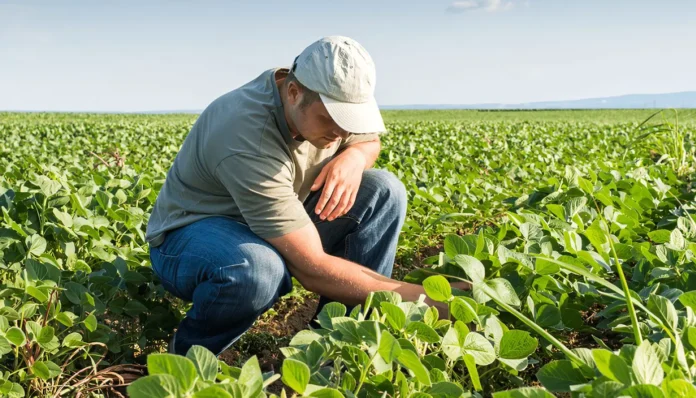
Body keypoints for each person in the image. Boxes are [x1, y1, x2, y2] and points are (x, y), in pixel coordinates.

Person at [146, 35, 465, 356]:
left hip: (278, 219)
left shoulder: (325, 95)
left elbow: (369, 141)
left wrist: (353, 158)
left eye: (349, 121)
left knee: (383, 190)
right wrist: (429, 301)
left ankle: (340, 342)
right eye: (332, 120)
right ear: (294, 93)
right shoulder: (245, 134)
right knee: (258, 269)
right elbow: (312, 268)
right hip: (194, 238)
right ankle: (185, 357)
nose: (341, 133)